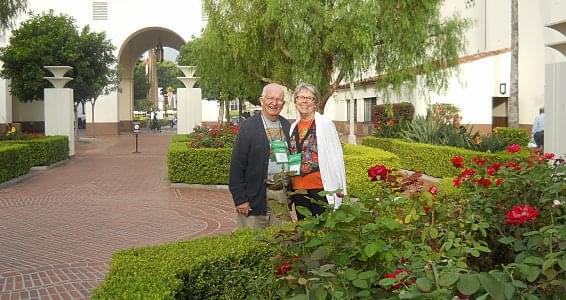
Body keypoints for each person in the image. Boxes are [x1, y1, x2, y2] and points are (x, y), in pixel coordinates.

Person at [229, 83, 291, 229]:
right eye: (270, 98)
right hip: (254, 196)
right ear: (262, 100)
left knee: (282, 243)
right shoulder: (249, 127)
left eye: (279, 99)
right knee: (253, 245)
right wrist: (240, 199)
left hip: (281, 196)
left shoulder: (286, 125)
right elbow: (237, 165)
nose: (274, 103)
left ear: (283, 103)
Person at [288, 83, 347, 220]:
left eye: (310, 98)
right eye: (301, 97)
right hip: (299, 188)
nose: (305, 101)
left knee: (324, 230)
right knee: (305, 230)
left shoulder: (325, 124)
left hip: (320, 187)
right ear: (295, 102)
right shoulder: (293, 127)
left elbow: (336, 157)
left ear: (315, 103)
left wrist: (341, 188)